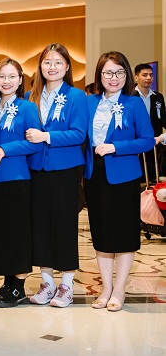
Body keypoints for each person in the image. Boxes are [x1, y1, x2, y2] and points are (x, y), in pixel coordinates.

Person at [85, 52, 154, 311]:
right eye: (108, 72)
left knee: (123, 233)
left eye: (119, 72)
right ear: (99, 75)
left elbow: (147, 140)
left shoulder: (133, 103)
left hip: (124, 175)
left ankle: (119, 289)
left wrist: (116, 146)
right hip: (94, 174)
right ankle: (105, 288)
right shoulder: (89, 102)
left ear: (127, 75)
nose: (113, 78)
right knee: (101, 233)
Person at [25, 43, 88, 308]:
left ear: (67, 66)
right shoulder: (30, 96)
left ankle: (67, 285)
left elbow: (79, 134)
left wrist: (46, 136)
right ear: (40, 66)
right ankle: (47, 283)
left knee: (64, 227)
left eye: (58, 62)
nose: (52, 67)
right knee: (40, 227)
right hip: (35, 170)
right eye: (47, 62)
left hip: (65, 171)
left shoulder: (76, 96)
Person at [0, 58, 42, 308]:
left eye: (11, 76)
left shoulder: (27, 107)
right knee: (0, 233)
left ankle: (19, 286)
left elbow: (35, 143)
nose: (6, 81)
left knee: (17, 233)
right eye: (2, 77)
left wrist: (5, 149)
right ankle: (7, 284)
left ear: (20, 80)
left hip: (16, 179)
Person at [134, 63, 166, 181]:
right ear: (136, 77)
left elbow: (162, 117)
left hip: (154, 142)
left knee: (153, 176)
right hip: (136, 142)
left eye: (151, 75)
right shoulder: (129, 96)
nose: (149, 78)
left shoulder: (158, 97)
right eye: (144, 75)